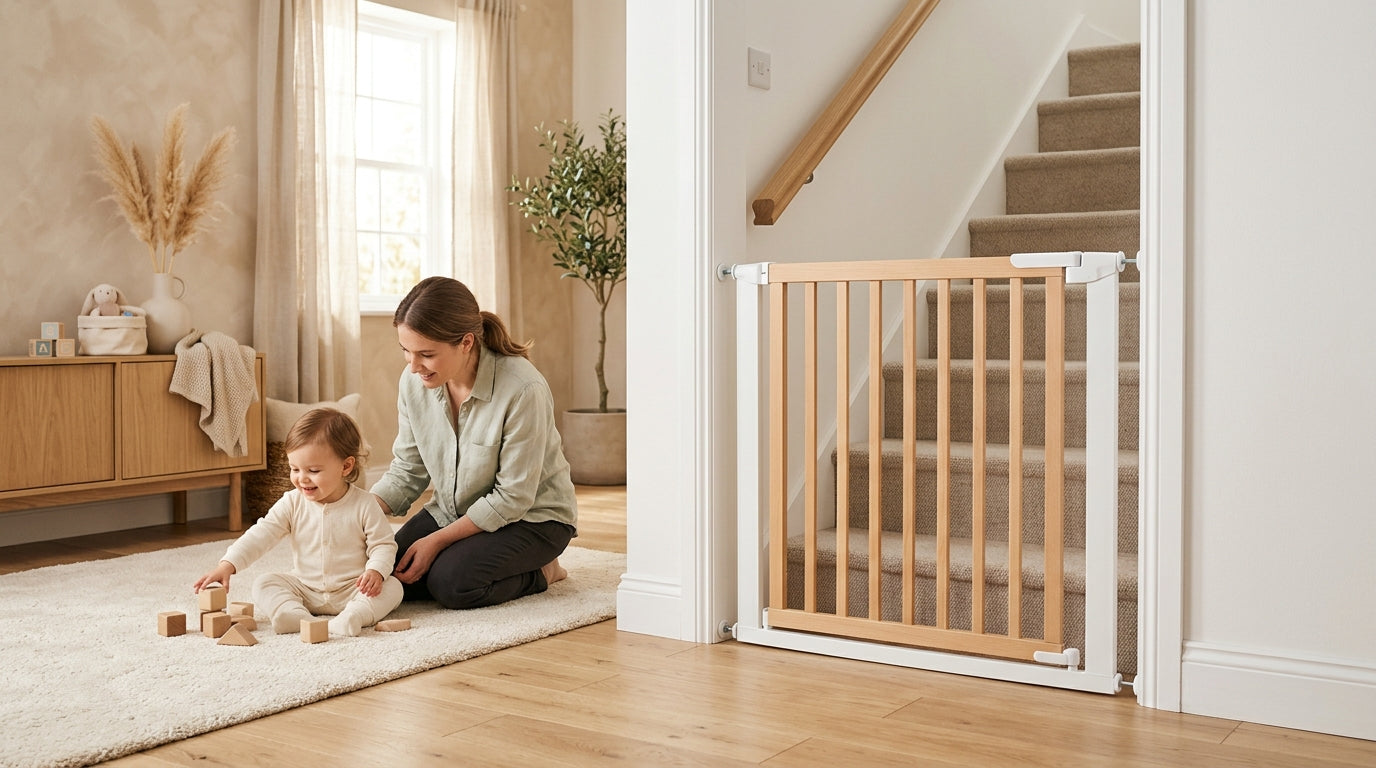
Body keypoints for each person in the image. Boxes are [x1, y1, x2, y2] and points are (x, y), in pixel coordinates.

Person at [370, 276, 577, 610]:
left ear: (466, 342)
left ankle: (543, 571)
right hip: (455, 510)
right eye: (406, 351)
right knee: (390, 572)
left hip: (533, 519)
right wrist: (356, 511)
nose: (413, 366)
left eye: (426, 354)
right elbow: (408, 469)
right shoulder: (415, 384)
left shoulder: (523, 390)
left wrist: (436, 542)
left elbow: (513, 498)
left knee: (451, 583)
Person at [193, 408, 403, 636]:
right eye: (294, 469)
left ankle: (354, 616)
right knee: (264, 583)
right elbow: (261, 534)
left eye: (313, 470)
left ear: (345, 466)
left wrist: (375, 572)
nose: (301, 478)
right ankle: (293, 614)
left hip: (353, 588)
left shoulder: (365, 504)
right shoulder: (292, 502)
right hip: (305, 589)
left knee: (394, 588)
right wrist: (228, 564)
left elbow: (383, 545)